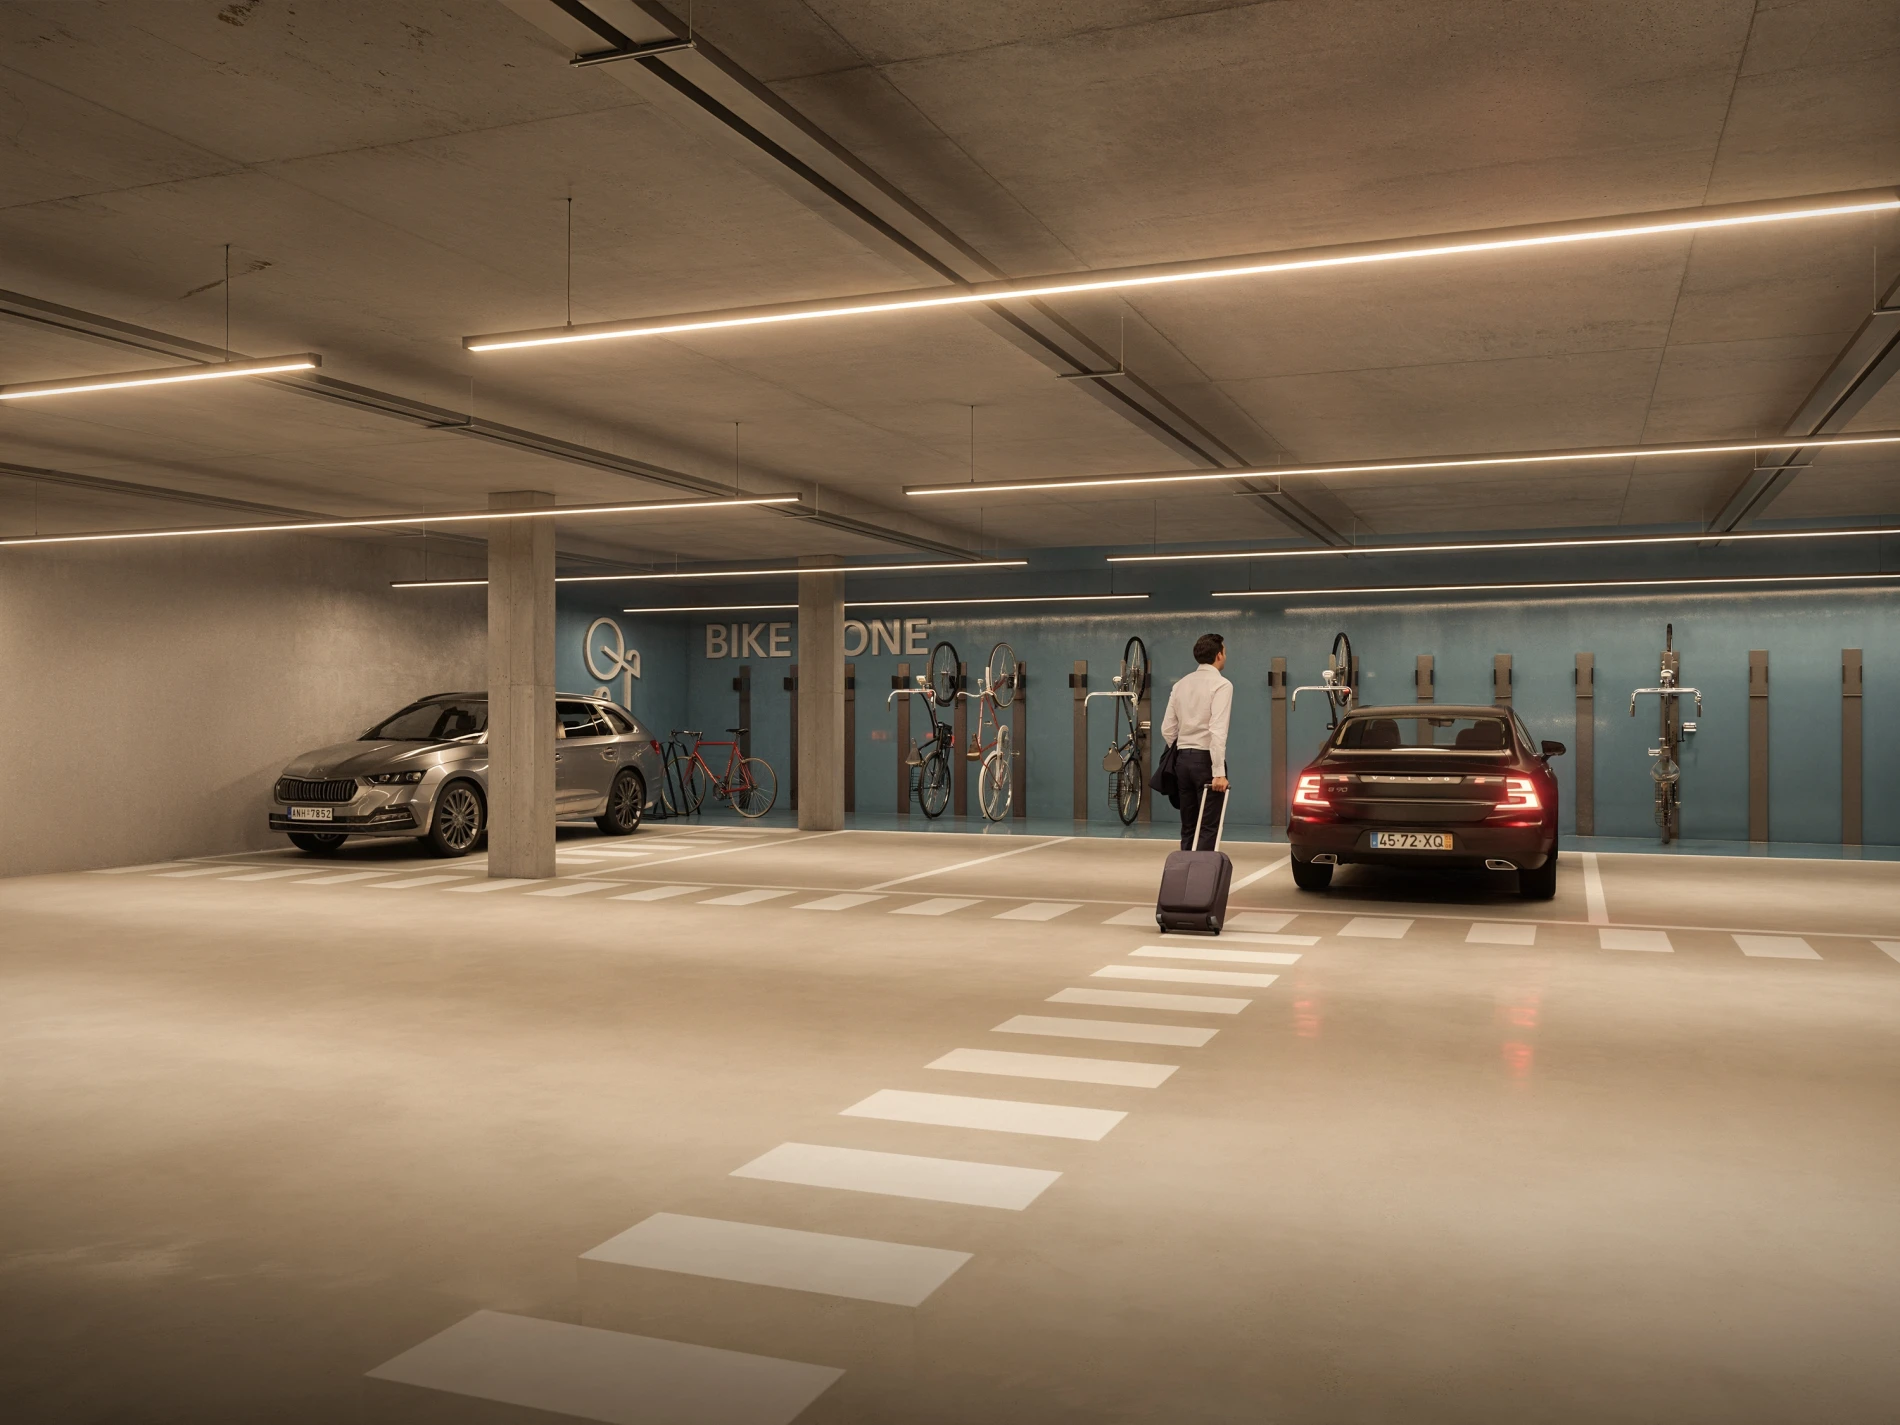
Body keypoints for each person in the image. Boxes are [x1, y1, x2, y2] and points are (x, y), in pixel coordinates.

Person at [1159, 633, 1232, 850]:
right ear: (1219, 655)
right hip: (1206, 761)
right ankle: (1203, 871)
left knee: (1188, 825)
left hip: (1182, 762)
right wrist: (1219, 772)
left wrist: (1183, 748)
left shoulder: (1180, 684)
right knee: (1208, 827)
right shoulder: (1222, 685)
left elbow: (1167, 729)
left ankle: (1186, 869)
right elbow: (1217, 730)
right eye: (1225, 651)